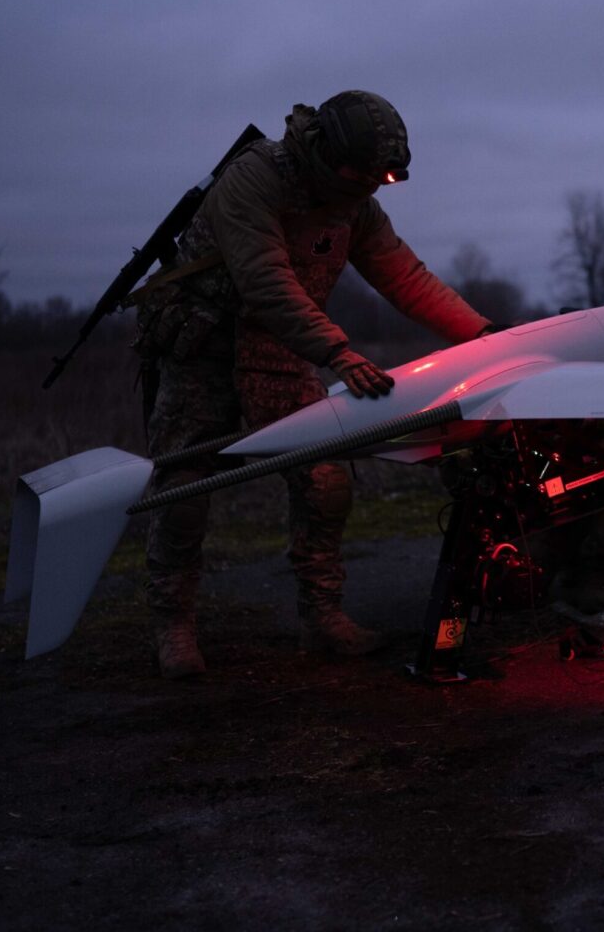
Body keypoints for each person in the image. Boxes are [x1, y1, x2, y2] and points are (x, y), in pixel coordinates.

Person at [134, 91, 493, 678]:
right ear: (328, 154)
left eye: (379, 180)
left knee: (325, 478)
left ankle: (321, 616)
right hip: (200, 347)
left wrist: (483, 333)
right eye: (362, 175)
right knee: (183, 486)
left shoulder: (356, 204)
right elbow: (265, 280)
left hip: (276, 350)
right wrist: (337, 352)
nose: (369, 190)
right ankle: (172, 625)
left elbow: (405, 276)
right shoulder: (255, 181)